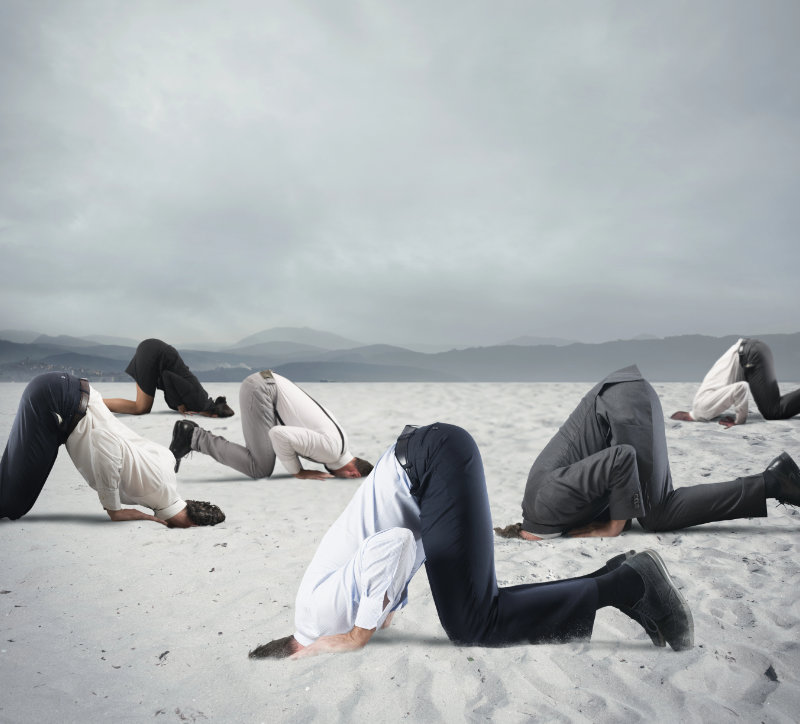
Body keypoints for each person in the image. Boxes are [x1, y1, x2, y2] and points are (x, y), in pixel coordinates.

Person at [248, 423, 694, 660]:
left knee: (472, 623)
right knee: (478, 608)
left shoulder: (318, 618)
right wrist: (380, 613)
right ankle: (617, 576)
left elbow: (398, 544)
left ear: (298, 654)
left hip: (428, 464)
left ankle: (627, 586)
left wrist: (358, 634)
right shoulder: (313, 610)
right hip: (430, 457)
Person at [500, 365, 800, 541]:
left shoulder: (546, 504)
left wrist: (614, 526)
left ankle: (774, 481)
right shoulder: (549, 509)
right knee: (648, 509)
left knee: (658, 515)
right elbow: (604, 477)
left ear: (527, 534)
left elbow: (622, 458)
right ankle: (772, 481)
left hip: (623, 403)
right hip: (624, 399)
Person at [0, 372, 225, 527]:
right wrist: (114, 509)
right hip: (59, 401)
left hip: (67, 397)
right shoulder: (153, 487)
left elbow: (160, 453)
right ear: (193, 524)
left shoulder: (166, 477)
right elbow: (103, 438)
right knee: (12, 504)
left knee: (9, 487)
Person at [169, 369, 373, 479]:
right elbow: (278, 434)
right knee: (260, 468)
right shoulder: (331, 452)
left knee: (264, 457)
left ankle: (193, 437)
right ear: (353, 474)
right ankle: (193, 437)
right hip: (263, 390)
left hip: (266, 383)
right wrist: (298, 471)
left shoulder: (341, 441)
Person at [671, 338, 800, 427]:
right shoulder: (700, 402)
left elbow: (741, 388)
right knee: (772, 404)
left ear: (685, 419)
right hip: (754, 349)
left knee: (772, 411)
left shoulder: (701, 410)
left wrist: (739, 421)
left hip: (750, 354)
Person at [104, 338, 234, 417]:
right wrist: (180, 405)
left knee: (142, 405)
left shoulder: (202, 402)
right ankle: (92, 401)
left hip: (154, 349)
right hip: (155, 353)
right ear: (215, 415)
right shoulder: (199, 401)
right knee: (141, 408)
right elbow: (167, 376)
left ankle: (93, 401)